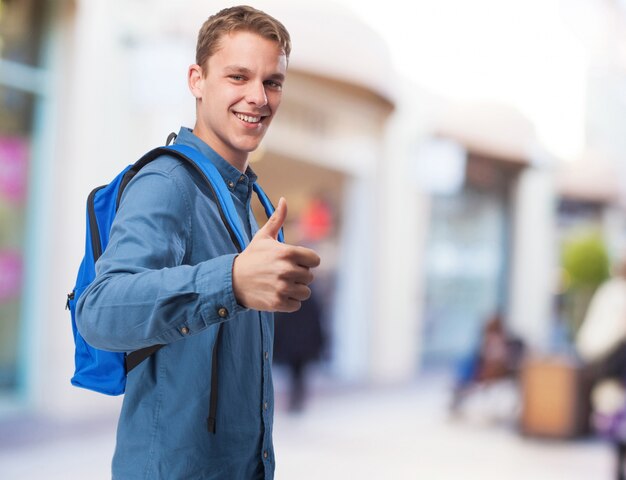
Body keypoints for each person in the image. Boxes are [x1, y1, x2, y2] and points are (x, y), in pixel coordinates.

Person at [76, 6, 320, 479]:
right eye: (238, 76)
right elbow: (98, 311)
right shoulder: (167, 182)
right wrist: (230, 281)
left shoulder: (248, 200)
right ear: (197, 80)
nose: (258, 97)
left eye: (272, 82)